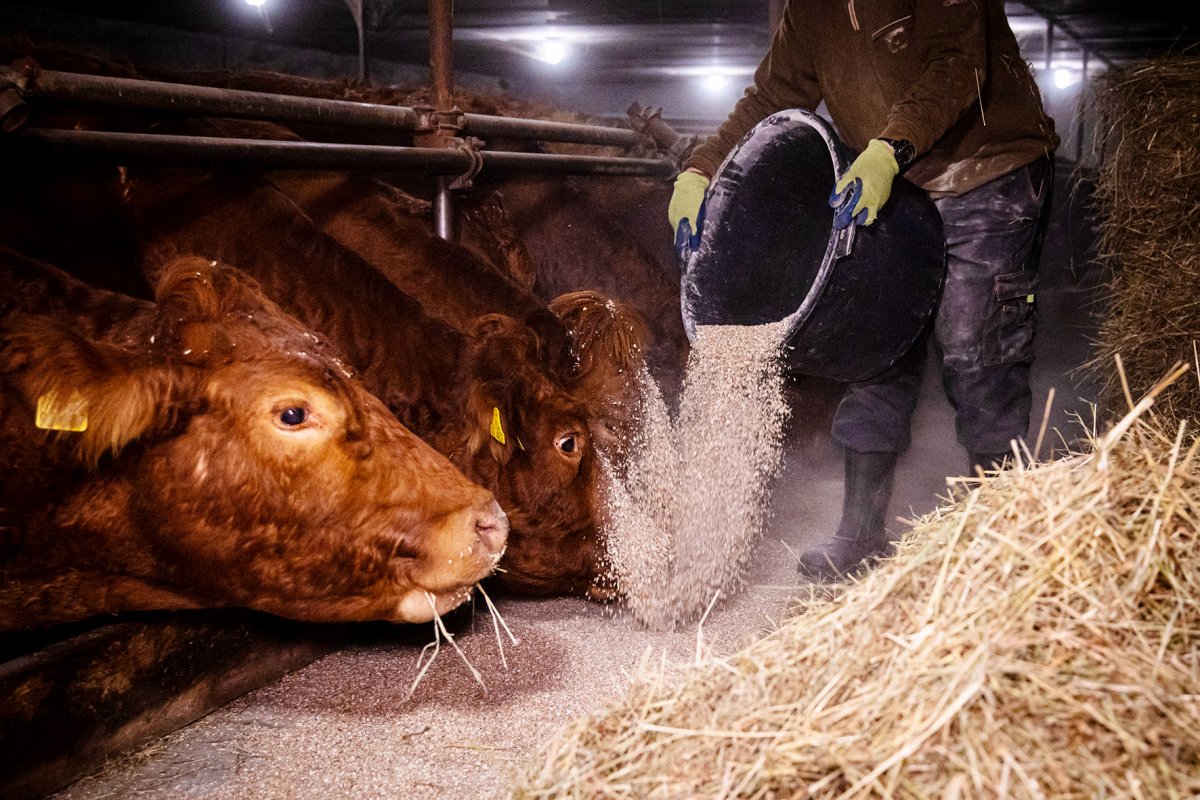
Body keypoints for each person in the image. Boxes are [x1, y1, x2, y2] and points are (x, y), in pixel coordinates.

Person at [668, 0, 1059, 581]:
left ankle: (1004, 534)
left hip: (985, 170)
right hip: (893, 180)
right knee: (873, 342)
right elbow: (773, 95)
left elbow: (959, 63)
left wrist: (887, 148)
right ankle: (860, 534)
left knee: (974, 346)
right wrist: (701, 168)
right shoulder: (811, 9)